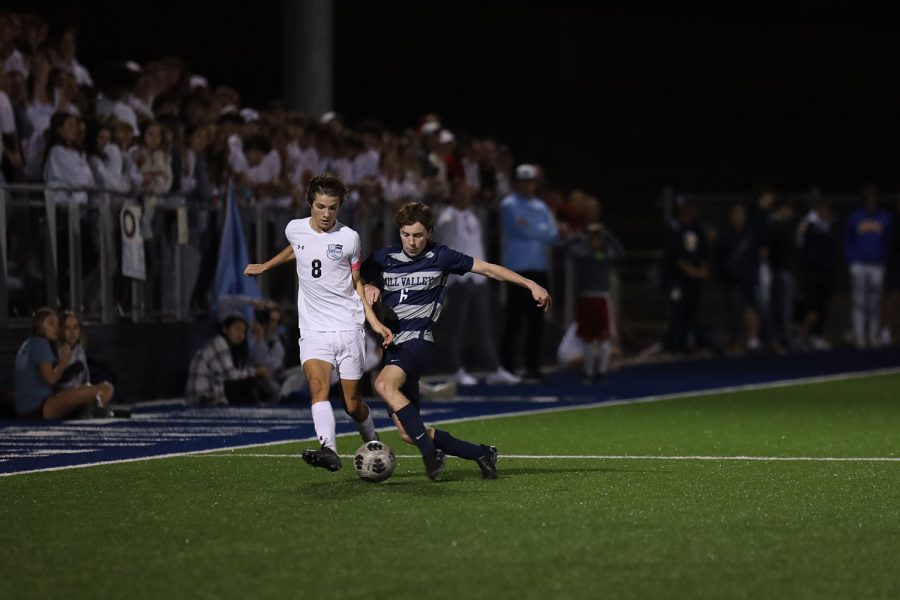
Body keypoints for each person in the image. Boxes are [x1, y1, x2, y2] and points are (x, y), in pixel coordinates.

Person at [362, 201, 552, 480]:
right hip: (393, 347)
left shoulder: (441, 256)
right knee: (407, 432)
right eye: (405, 234)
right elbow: (357, 278)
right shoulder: (383, 258)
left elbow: (487, 269)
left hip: (417, 341)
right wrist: (369, 284)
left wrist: (530, 284)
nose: (411, 242)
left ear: (429, 232)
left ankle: (431, 455)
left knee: (382, 384)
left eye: (417, 235)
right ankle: (481, 453)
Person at [244, 173, 394, 472]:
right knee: (317, 386)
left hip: (348, 326)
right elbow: (298, 249)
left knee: (352, 404)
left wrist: (374, 322)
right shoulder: (294, 229)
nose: (326, 214)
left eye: (333, 208)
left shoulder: (349, 238)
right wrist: (267, 265)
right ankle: (329, 449)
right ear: (310, 204)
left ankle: (373, 440)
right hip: (313, 328)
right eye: (321, 207)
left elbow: (356, 282)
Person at [434, 180, 520, 385]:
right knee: (457, 327)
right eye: (460, 193)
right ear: (453, 195)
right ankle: (455, 369)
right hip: (460, 280)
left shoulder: (473, 217)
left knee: (483, 327)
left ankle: (493, 369)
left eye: (467, 193)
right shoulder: (447, 218)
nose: (465, 197)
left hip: (479, 280)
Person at [499, 163, 558, 381]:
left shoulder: (541, 206)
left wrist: (535, 230)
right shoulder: (509, 204)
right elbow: (520, 229)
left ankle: (532, 365)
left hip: (539, 269)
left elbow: (553, 234)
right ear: (517, 183)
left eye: (530, 181)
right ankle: (508, 366)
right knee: (514, 320)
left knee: (537, 321)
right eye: (523, 182)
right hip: (518, 271)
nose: (527, 186)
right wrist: (539, 230)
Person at [13, 308, 114, 419]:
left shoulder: (32, 343)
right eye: (51, 323)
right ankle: (93, 409)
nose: (56, 327)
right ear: (39, 326)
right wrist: (63, 362)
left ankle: (88, 410)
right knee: (89, 391)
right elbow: (51, 380)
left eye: (57, 324)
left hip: (35, 404)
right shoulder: (41, 343)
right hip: (38, 407)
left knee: (106, 387)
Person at [565, 215, 624, 381]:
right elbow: (566, 248)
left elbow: (620, 253)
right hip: (586, 298)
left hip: (602, 298)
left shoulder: (604, 254)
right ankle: (589, 371)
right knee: (588, 337)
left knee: (603, 337)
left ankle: (602, 371)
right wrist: (580, 236)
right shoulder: (583, 253)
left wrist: (607, 235)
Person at [185, 313, 279, 406]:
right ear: (225, 329)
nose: (241, 335)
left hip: (207, 396)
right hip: (202, 399)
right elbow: (232, 375)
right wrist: (256, 372)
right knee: (250, 382)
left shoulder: (223, 345)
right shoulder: (220, 343)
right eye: (237, 329)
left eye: (243, 332)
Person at [844, 186, 892, 348]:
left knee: (875, 303)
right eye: (869, 197)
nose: (871, 200)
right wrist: (851, 261)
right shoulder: (855, 217)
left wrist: (884, 258)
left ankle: (873, 336)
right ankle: (860, 336)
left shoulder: (884, 217)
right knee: (859, 302)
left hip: (877, 264)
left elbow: (889, 240)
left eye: (874, 197)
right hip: (859, 264)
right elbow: (848, 240)